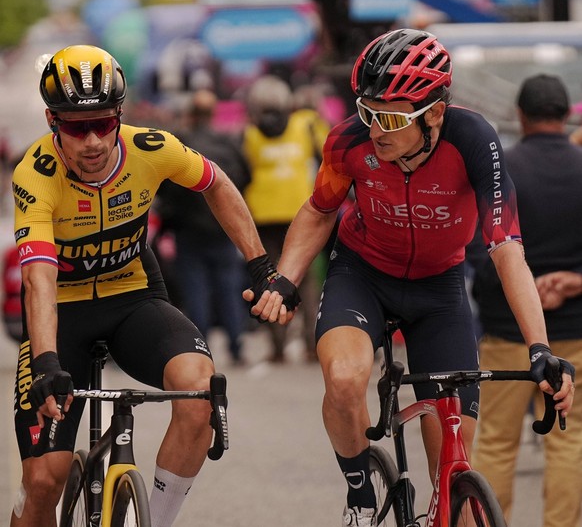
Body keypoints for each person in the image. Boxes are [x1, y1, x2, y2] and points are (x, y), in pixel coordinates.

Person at [244, 29, 576, 527]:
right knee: (344, 377)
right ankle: (360, 493)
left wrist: (540, 348)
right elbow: (318, 212)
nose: (377, 128)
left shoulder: (474, 141)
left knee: (455, 475)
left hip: (439, 291)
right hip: (363, 275)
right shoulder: (348, 141)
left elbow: (507, 248)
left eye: (393, 117)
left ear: (435, 112)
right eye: (369, 110)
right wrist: (285, 281)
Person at [10, 45, 299, 527]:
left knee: (200, 393)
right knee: (44, 481)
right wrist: (45, 362)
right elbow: (39, 277)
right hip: (62, 313)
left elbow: (217, 184)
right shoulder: (35, 175)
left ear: (119, 116)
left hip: (134, 299)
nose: (93, 141)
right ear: (51, 121)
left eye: (104, 124)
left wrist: (261, 269)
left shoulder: (151, 148)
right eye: (76, 128)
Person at [468, 74, 582, 527]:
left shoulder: (502, 170)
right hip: (576, 332)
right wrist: (573, 282)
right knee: (569, 440)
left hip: (508, 330)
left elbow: (478, 250)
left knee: (495, 440)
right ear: (567, 113)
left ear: (520, 116)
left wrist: (527, 286)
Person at [155, 89, 251, 364]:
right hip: (223, 227)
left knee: (195, 289)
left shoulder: (182, 143)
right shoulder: (228, 142)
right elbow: (246, 175)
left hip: (188, 229)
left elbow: (165, 187)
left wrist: (173, 214)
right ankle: (236, 345)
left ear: (192, 114)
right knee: (228, 288)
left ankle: (201, 348)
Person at [242, 74, 328, 362]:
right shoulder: (306, 123)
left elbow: (243, 171)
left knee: (269, 279)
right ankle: (311, 345)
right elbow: (329, 152)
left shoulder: (250, 134)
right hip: (300, 211)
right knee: (305, 278)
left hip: (262, 214)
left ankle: (278, 348)